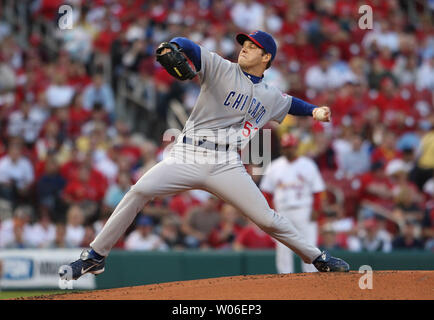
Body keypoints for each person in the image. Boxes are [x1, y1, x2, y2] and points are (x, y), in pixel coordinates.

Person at [61, 30, 349, 281]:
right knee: (138, 191)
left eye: (252, 46)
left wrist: (314, 111)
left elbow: (291, 103)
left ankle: (318, 258)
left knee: (268, 219)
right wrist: (170, 46)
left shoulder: (271, 95)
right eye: (244, 43)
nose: (245, 47)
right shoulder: (220, 67)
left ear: (266, 58)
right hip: (187, 154)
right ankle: (96, 256)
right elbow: (187, 44)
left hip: (226, 164)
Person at [260, 133, 326, 273]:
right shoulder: (275, 166)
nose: (288, 150)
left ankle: (311, 275)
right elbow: (266, 192)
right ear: (282, 149)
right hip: (282, 211)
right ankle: (285, 276)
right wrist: (270, 211)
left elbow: (317, 191)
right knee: (283, 246)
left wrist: (316, 209)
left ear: (296, 147)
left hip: (304, 210)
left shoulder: (308, 165)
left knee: (309, 245)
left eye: (290, 147)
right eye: (285, 147)